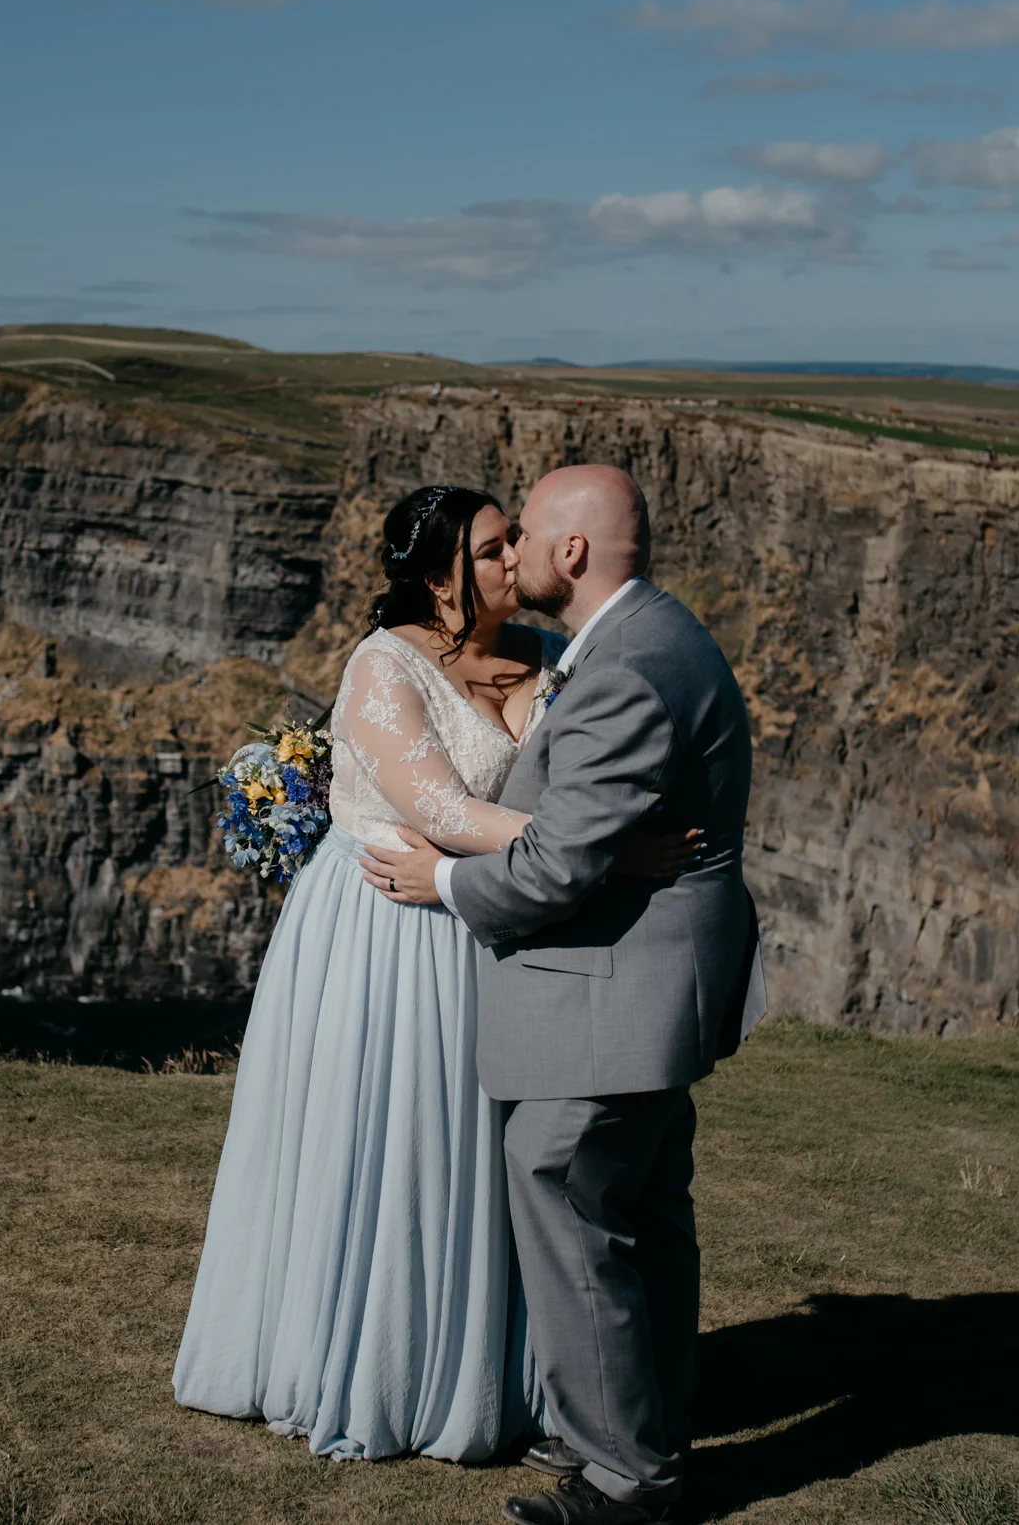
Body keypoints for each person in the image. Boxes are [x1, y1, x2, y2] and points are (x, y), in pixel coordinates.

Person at [172, 484, 696, 1463]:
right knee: (400, 1141)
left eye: (514, 540)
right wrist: (608, 850)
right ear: (439, 577)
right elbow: (445, 811)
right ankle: (384, 1369)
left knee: (491, 1155)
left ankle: (514, 1372)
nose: (515, 558)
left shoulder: (545, 654)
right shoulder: (382, 667)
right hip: (390, 925)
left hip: (493, 919)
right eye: (493, 548)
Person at [362, 465, 758, 1525]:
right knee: (642, 1212)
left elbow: (554, 867)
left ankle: (629, 1478)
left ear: (571, 552)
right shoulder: (649, 635)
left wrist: (442, 882)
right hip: (643, 986)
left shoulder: (625, 666)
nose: (516, 553)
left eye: (526, 533)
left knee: (570, 1194)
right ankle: (642, 1423)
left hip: (614, 994)